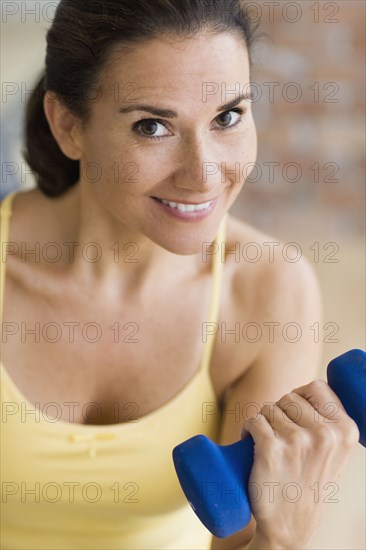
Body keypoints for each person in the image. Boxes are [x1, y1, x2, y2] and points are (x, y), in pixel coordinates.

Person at [0, 1, 360, 549]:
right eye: (153, 126)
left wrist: (283, 535)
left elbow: (237, 539)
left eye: (228, 117)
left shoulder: (266, 289)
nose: (204, 174)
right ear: (68, 126)